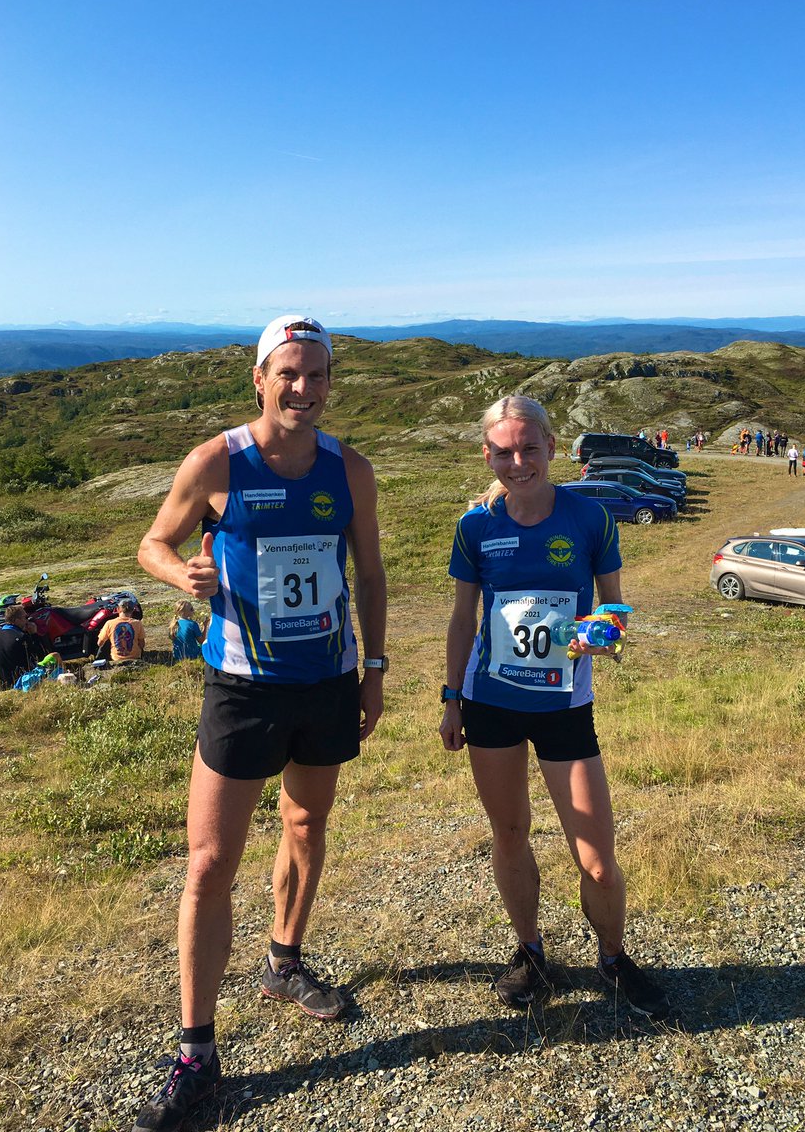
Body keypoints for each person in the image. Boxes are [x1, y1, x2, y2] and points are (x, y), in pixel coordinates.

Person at [133, 315, 387, 1132]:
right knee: (209, 864)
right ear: (260, 377)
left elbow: (372, 573)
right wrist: (184, 575)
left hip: (324, 681)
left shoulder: (350, 469)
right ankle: (196, 1055)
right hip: (241, 687)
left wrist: (373, 669)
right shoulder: (218, 461)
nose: (304, 389)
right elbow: (151, 543)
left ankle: (284, 962)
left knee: (307, 825)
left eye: (317, 375)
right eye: (289, 373)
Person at [439, 395, 668, 1019]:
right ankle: (530, 951)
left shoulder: (590, 518)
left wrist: (593, 635)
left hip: (566, 706)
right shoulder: (475, 525)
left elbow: (616, 616)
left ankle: (614, 957)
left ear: (553, 446)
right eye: (505, 452)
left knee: (595, 858)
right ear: (488, 455)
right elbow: (464, 621)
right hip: (491, 704)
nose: (519, 463)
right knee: (510, 834)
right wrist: (451, 698)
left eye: (530, 449)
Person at [0, 605, 40, 689]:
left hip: (1, 683)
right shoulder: (21, 637)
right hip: (21, 681)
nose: (27, 620)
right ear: (16, 620)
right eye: (25, 617)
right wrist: (34, 635)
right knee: (54, 657)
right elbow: (39, 656)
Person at [97, 598, 146, 663]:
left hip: (116, 658)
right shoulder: (138, 623)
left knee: (107, 639)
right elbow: (142, 644)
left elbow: (100, 643)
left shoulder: (109, 623)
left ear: (118, 609)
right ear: (132, 610)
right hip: (135, 657)